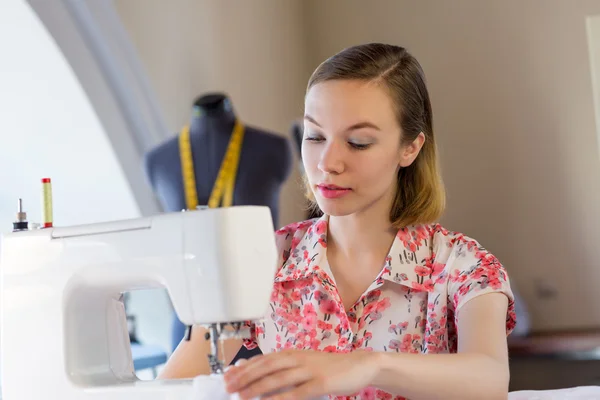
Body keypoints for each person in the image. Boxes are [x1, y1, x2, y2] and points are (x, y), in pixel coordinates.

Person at [158, 43, 517, 400]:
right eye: (315, 136)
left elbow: (489, 379)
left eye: (358, 143)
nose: (327, 162)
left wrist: (370, 365)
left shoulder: (464, 266)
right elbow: (174, 386)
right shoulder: (263, 260)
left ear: (410, 148)